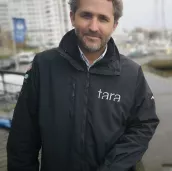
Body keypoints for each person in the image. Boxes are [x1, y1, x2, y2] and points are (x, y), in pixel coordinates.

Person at [6, 0, 159, 170]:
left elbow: (144, 124)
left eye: (103, 19)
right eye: (86, 15)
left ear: (114, 25)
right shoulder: (43, 66)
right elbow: (22, 137)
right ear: (72, 17)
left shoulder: (132, 73)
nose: (93, 27)